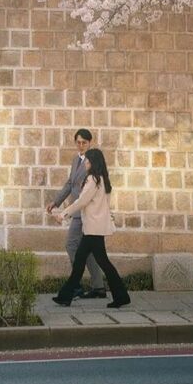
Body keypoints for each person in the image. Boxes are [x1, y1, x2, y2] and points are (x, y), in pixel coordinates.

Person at [50, 148, 130, 309]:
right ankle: (66, 296)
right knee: (86, 262)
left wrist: (63, 214)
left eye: (87, 160)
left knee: (93, 262)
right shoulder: (102, 179)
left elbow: (81, 201)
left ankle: (66, 296)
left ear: (93, 162)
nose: (85, 162)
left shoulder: (93, 179)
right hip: (96, 228)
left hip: (92, 229)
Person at [46, 129, 107, 298]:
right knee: (88, 251)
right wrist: (56, 201)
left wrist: (65, 213)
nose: (81, 146)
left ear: (89, 143)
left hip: (83, 212)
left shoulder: (92, 163)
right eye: (78, 142)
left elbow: (87, 193)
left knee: (71, 245)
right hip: (77, 212)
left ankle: (76, 284)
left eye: (84, 143)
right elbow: (69, 184)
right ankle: (98, 287)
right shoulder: (75, 160)